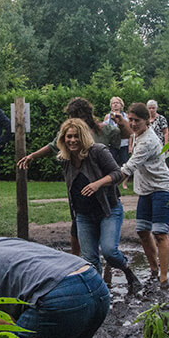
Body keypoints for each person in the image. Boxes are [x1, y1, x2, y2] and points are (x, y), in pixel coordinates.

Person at [18, 97, 128, 257]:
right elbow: (52, 146)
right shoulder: (69, 133)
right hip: (79, 188)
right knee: (77, 229)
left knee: (108, 245)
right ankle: (76, 264)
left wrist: (122, 123)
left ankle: (108, 270)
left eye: (73, 116)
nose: (70, 120)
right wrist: (32, 156)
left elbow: (124, 136)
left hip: (102, 187)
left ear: (84, 116)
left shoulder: (102, 131)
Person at [52, 118, 140, 290]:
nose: (72, 140)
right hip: (83, 216)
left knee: (109, 252)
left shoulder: (98, 151)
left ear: (83, 136)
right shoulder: (65, 159)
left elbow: (117, 173)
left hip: (108, 211)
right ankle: (99, 293)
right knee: (90, 260)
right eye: (68, 137)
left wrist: (98, 183)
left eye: (76, 136)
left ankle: (127, 270)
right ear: (63, 139)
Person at [120, 102, 169, 289]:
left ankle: (164, 277)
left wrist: (105, 183)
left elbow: (129, 167)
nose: (133, 124)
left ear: (146, 121)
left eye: (137, 120)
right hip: (146, 189)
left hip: (162, 187)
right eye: (131, 120)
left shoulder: (148, 141)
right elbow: (124, 130)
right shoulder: (136, 135)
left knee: (160, 233)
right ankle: (153, 268)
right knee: (143, 230)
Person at [104, 96, 131, 189]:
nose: (115, 104)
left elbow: (130, 131)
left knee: (125, 163)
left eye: (117, 102)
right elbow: (105, 131)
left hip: (124, 143)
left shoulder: (126, 116)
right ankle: (112, 182)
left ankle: (124, 183)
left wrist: (130, 145)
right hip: (112, 144)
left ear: (121, 105)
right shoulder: (107, 117)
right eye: (113, 103)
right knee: (111, 163)